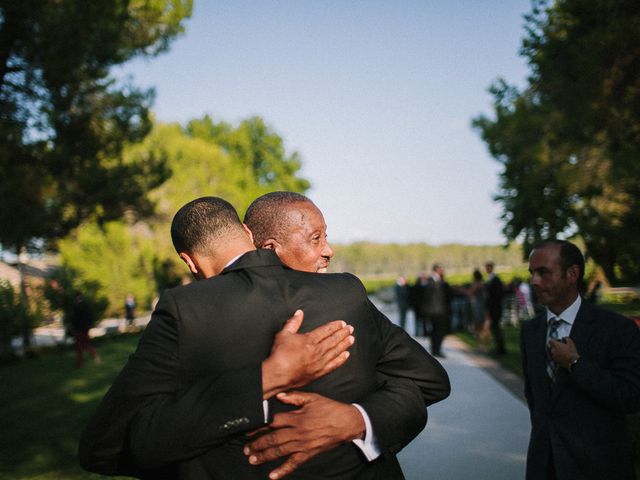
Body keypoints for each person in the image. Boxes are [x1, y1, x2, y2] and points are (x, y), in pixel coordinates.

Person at [80, 196, 450, 479]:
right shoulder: (344, 293)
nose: (328, 250)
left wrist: (350, 419)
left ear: (189, 261)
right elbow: (428, 381)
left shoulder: (185, 310)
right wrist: (359, 419)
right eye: (317, 238)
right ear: (250, 236)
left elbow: (106, 447)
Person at [521, 240, 640, 480]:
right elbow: (536, 400)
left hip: (599, 467)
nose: (534, 281)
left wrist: (576, 365)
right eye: (532, 273)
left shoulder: (617, 329)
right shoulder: (530, 331)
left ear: (572, 274)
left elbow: (631, 397)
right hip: (544, 465)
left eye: (543, 272)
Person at [421, 264, 452, 358]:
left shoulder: (442, 281)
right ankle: (435, 350)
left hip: (441, 311)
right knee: (436, 331)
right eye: (441, 270)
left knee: (439, 331)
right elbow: (425, 297)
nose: (442, 271)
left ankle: (436, 349)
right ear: (437, 270)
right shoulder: (430, 282)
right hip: (435, 311)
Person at [69, 293, 100, 367]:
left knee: (79, 346)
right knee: (87, 344)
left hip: (79, 329)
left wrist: (73, 327)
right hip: (85, 328)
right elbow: (89, 316)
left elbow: (75, 319)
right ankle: (95, 357)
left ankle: (80, 363)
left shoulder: (76, 307)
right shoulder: (86, 306)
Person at [484, 261, 506, 355]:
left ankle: (500, 349)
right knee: (495, 328)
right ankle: (499, 347)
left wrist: (490, 307)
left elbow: (495, 295)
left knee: (496, 328)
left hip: (495, 308)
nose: (486, 269)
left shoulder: (495, 279)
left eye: (487, 267)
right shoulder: (492, 279)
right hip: (494, 307)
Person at [467, 269, 487, 340]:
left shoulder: (476, 283)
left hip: (477, 304)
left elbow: (470, 293)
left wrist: (462, 290)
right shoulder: (482, 283)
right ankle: (480, 336)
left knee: (478, 320)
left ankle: (479, 336)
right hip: (481, 303)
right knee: (480, 320)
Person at [410, 272, 429, 337]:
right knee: (417, 321)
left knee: (425, 321)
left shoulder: (428, 286)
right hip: (418, 307)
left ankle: (425, 333)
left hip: (425, 307)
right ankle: (417, 333)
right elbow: (413, 298)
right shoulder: (415, 287)